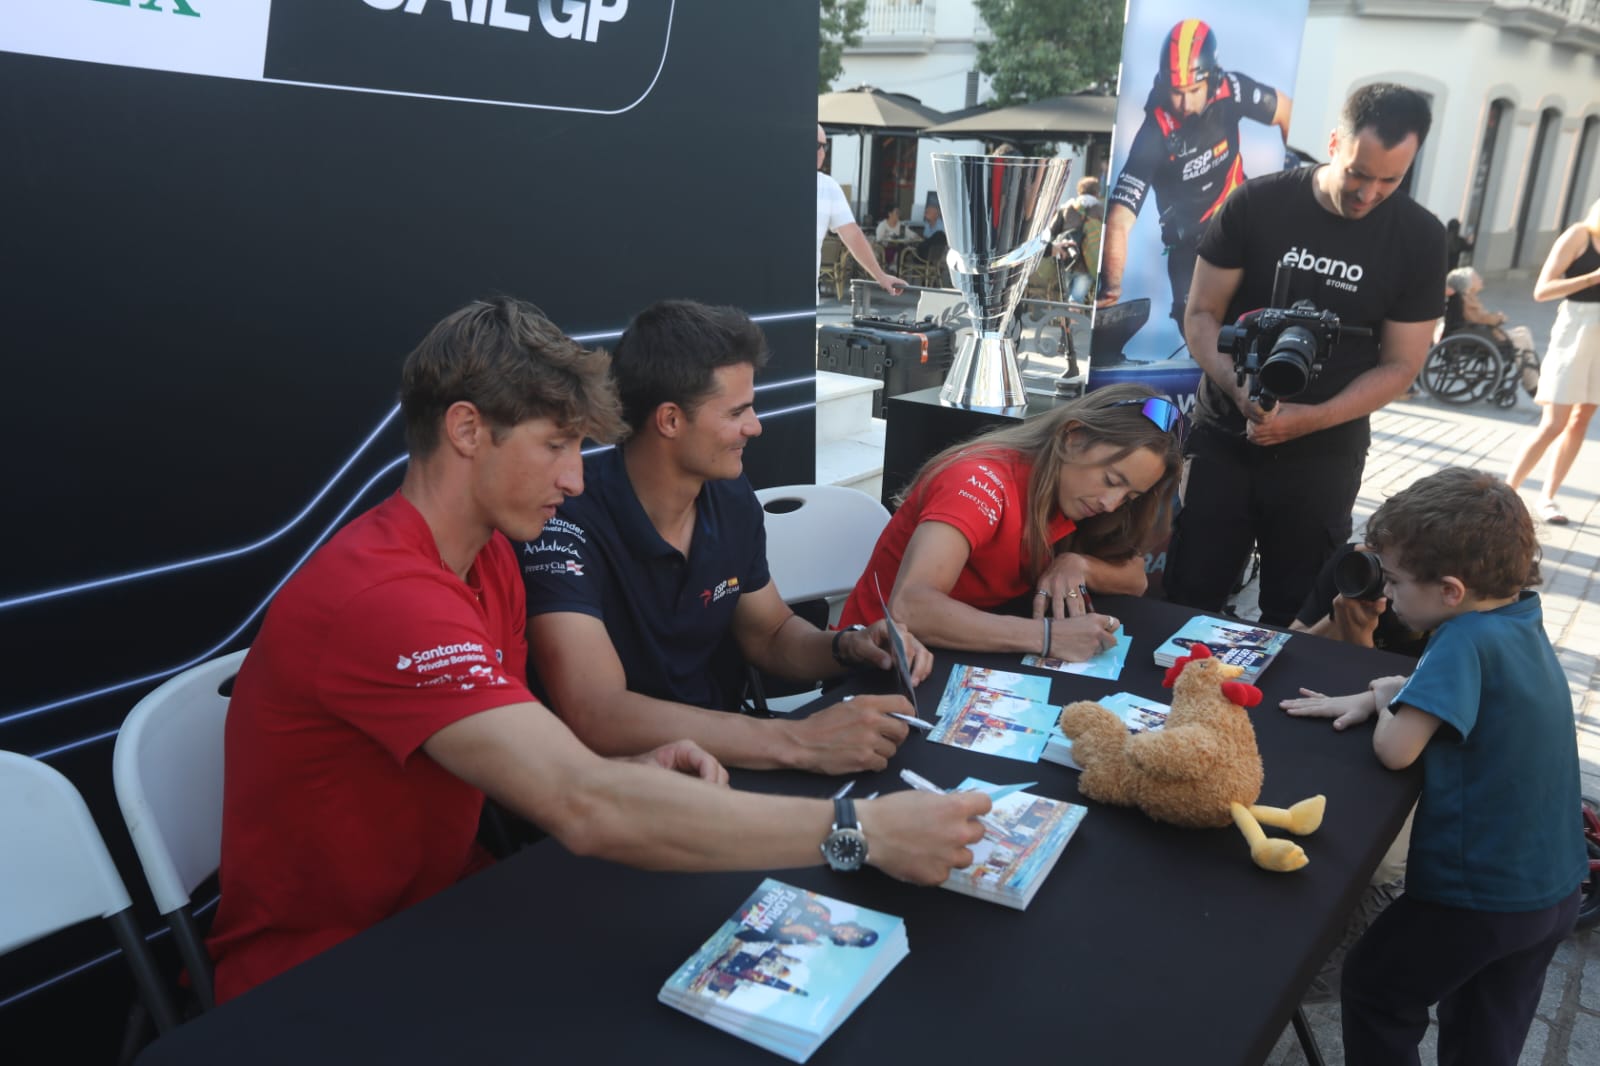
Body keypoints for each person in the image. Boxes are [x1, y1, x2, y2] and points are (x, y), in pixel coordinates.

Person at [206, 298, 989, 1003]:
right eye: (556, 446)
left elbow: (528, 756)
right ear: (467, 430)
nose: (575, 480)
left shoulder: (489, 558)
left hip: (454, 914)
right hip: (322, 977)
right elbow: (582, 803)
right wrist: (862, 830)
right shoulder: (386, 596)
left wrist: (632, 767)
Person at [521, 300, 929, 775]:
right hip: (617, 784)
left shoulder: (729, 495)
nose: (754, 426)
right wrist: (794, 740)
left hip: (730, 758)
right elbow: (597, 712)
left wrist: (849, 647)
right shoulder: (564, 522)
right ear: (670, 420)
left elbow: (770, 634)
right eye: (737, 411)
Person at [1283, 468, 1583, 1064]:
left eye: (1395, 582)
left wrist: (1383, 694)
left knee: (1376, 990)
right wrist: (1386, 694)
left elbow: (1396, 749)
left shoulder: (1460, 640)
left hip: (1476, 894)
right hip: (1552, 889)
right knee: (1484, 1023)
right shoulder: (1518, 619)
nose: (1388, 596)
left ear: (1450, 590)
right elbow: (1461, 697)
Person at [1163, 82, 1446, 627]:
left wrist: (1310, 418)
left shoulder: (1420, 239)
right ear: (1334, 142)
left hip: (1324, 452)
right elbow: (1201, 316)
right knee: (1189, 595)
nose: (1369, 193)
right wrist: (1240, 391)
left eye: (1390, 180)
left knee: (1297, 615)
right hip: (1225, 435)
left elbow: (1401, 364)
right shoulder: (1256, 203)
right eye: (1358, 173)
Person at [838, 384, 1182, 663]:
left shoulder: (1073, 495)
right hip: (878, 662)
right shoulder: (978, 481)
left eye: (1129, 496)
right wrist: (1048, 637)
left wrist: (1078, 565)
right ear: (1073, 437)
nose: (1111, 504)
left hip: (958, 653)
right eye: (1110, 480)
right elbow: (911, 607)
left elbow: (1135, 578)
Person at [1098, 18, 1292, 324]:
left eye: (1193, 90)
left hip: (1239, 219)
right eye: (1176, 92)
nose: (1184, 103)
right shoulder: (1154, 132)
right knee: (1195, 325)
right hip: (1190, 250)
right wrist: (1111, 288)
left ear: (1212, 80)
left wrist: (1295, 170)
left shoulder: (1231, 89)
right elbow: (1119, 219)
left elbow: (1284, 110)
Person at [1505, 197, 1600, 526]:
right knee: (1553, 423)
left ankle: (1548, 496)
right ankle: (1506, 492)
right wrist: (1593, 277)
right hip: (1576, 329)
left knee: (1581, 420)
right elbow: (1542, 290)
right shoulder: (1580, 235)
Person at [817, 125, 906, 297]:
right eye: (817, 145)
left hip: (804, 299)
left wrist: (880, 276)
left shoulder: (829, 187)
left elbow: (853, 234)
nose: (822, 152)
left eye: (825, 146)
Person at [1052, 176, 1105, 306]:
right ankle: (1072, 318)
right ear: (1097, 192)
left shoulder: (1067, 207)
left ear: (1079, 191)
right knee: (1076, 300)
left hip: (1067, 259)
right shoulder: (1101, 211)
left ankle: (1067, 318)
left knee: (1066, 299)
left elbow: (1052, 231)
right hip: (1088, 263)